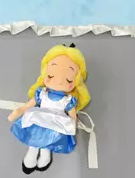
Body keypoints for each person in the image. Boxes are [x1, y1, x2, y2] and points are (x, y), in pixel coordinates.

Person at [7, 44, 90, 174]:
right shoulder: (41, 93)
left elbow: (73, 116)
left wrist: (71, 127)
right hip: (39, 117)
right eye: (51, 76)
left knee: (48, 141)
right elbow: (28, 105)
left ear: (75, 81)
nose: (59, 81)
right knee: (35, 138)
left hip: (55, 122)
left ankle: (44, 156)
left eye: (68, 79)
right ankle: (32, 155)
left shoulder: (68, 100)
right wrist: (17, 112)